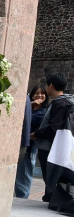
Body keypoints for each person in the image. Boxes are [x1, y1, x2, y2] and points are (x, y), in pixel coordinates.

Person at [31, 73, 74, 203]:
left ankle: (52, 199)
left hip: (49, 147)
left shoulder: (59, 103)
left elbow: (53, 128)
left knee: (50, 176)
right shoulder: (68, 101)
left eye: (46, 85)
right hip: (62, 146)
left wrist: (36, 135)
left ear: (51, 86)